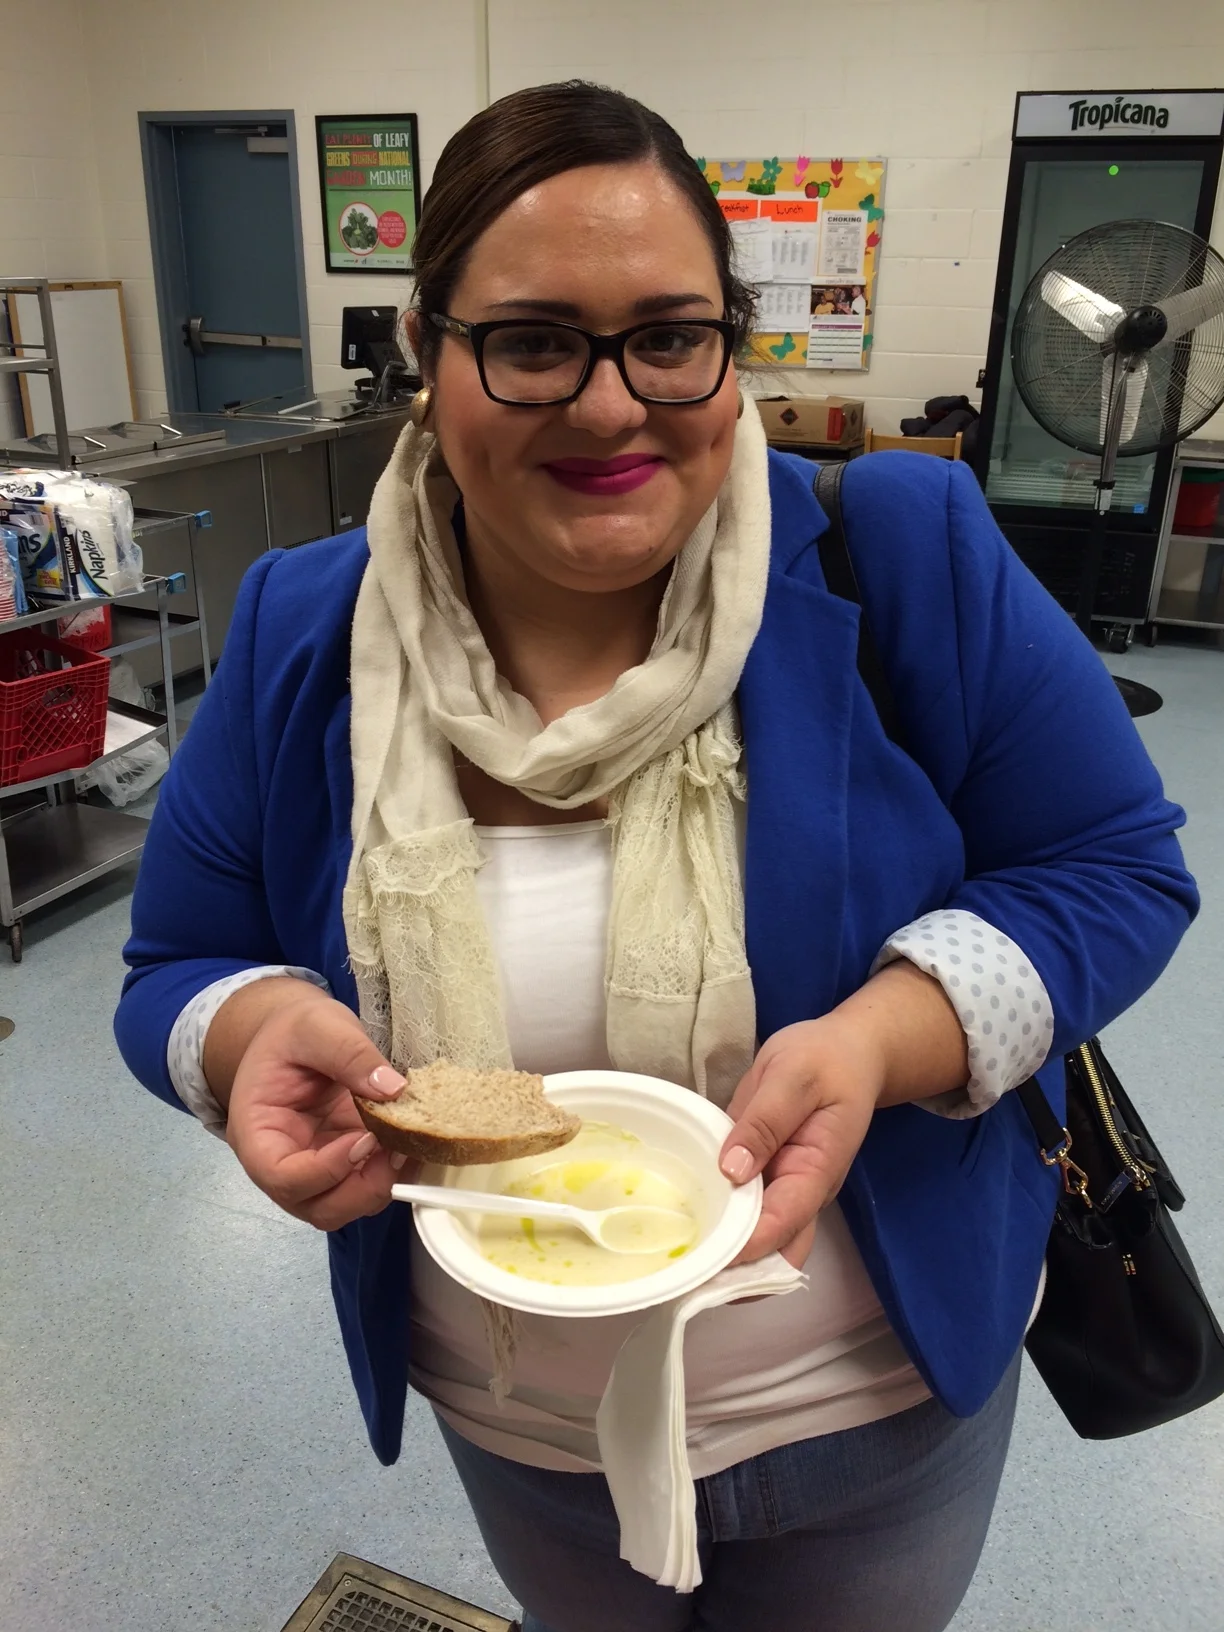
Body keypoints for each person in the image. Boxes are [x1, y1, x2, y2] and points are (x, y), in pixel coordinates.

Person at [115, 81, 1197, 1632]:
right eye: (534, 340)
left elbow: (1115, 867)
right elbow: (176, 968)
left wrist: (888, 1035)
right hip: (524, 1429)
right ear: (427, 357)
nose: (613, 405)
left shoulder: (904, 552)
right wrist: (240, 1036)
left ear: (726, 345)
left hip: (872, 1411)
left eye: (669, 336)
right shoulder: (308, 631)